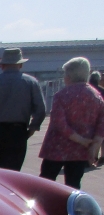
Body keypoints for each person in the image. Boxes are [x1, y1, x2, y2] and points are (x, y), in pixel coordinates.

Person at [0, 48, 46, 171]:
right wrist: (33, 127)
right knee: (13, 172)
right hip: (18, 130)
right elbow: (41, 109)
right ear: (20, 64)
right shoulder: (31, 82)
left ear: (2, 65)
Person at [38, 57, 104, 189]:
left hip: (56, 148)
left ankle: (42, 208)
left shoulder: (61, 95)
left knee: (45, 183)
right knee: (73, 186)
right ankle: (69, 209)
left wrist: (80, 140)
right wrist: (93, 146)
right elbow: (101, 126)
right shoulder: (97, 97)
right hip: (79, 152)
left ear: (69, 75)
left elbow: (59, 123)